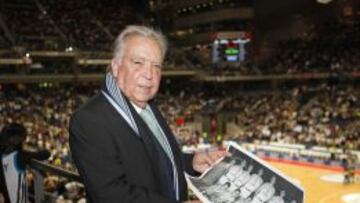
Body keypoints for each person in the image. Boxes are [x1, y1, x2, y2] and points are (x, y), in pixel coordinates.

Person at [69, 25, 226, 203]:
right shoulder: (90, 120)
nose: (149, 74)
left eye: (156, 66)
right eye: (138, 62)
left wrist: (192, 162)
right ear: (115, 66)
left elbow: (153, 159)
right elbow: (112, 195)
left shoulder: (148, 106)